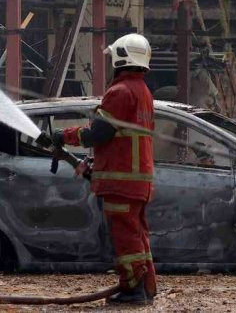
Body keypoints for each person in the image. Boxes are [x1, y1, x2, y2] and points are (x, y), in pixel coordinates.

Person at [53, 33, 156, 304]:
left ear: (121, 58)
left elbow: (97, 133)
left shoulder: (120, 92)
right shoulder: (143, 91)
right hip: (138, 180)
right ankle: (145, 287)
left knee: (125, 236)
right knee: (137, 235)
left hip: (122, 181)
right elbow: (120, 138)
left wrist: (64, 135)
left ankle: (133, 290)